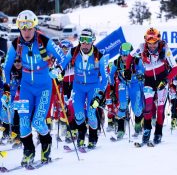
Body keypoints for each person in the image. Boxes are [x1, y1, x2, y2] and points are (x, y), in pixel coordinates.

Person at [2, 10, 66, 166]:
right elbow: (6, 68)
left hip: (44, 87)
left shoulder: (45, 41)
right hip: (25, 88)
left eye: (29, 27)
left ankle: (46, 145)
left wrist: (57, 70)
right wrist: (7, 89)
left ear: (34, 26)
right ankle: (28, 151)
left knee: (38, 121)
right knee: (24, 123)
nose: (26, 31)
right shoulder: (16, 44)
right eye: (23, 28)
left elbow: (63, 58)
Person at [125, 27, 177, 144]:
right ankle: (147, 130)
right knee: (148, 107)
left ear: (158, 41)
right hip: (148, 80)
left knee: (160, 109)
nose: (152, 46)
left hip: (161, 80)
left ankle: (158, 133)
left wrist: (166, 80)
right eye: (150, 44)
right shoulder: (141, 47)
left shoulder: (165, 48)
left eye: (155, 44)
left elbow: (175, 68)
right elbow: (129, 56)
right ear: (146, 42)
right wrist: (128, 69)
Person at [64, 28, 108, 149]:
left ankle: (93, 138)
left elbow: (105, 79)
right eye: (82, 40)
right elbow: (62, 63)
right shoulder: (73, 52)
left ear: (93, 41)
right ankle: (81, 136)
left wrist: (99, 95)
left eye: (88, 41)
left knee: (91, 113)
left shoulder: (99, 56)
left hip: (93, 88)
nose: (85, 44)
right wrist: (56, 69)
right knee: (78, 114)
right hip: (78, 87)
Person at [109, 42, 145, 139]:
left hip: (135, 85)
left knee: (137, 109)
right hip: (123, 85)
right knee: (122, 106)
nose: (125, 58)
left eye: (127, 55)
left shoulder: (137, 61)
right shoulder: (117, 62)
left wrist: (140, 75)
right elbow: (111, 75)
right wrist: (112, 89)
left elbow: (143, 71)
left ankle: (138, 125)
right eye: (123, 55)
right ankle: (120, 129)